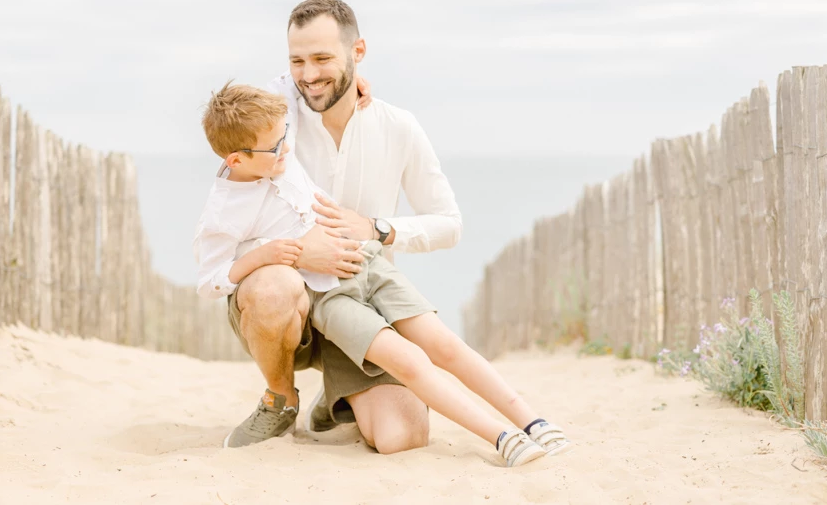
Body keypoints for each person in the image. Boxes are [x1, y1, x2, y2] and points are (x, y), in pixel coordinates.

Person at [195, 81, 572, 466]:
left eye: (285, 137)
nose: (286, 150)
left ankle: (534, 423)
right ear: (236, 159)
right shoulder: (224, 210)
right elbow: (210, 279)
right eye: (275, 147)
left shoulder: (272, 144)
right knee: (408, 360)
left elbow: (290, 83)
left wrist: (348, 75)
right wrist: (264, 254)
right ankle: (503, 438)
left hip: (368, 260)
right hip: (330, 295)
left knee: (443, 345)